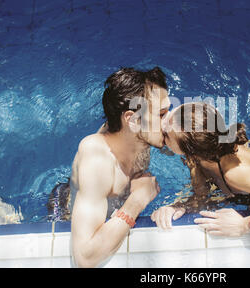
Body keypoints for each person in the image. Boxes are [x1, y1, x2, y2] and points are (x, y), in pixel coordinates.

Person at [58, 67, 170, 268]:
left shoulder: (139, 135)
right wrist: (138, 200)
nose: (169, 120)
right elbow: (85, 259)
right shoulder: (97, 161)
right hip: (66, 210)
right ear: (133, 120)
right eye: (162, 114)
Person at [151, 102, 250, 237]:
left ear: (191, 151)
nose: (162, 129)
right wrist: (177, 207)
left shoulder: (235, 174)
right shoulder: (205, 144)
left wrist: (244, 225)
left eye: (166, 134)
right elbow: (201, 195)